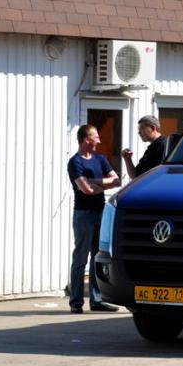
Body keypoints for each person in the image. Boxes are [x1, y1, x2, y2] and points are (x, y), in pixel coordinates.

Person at [67, 124, 120, 314]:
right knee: (80, 258)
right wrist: (96, 185)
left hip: (100, 211)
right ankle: (76, 302)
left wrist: (95, 182)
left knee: (98, 257)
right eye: (96, 137)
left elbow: (117, 180)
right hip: (83, 215)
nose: (99, 140)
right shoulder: (75, 162)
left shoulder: (100, 158)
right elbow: (85, 190)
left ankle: (97, 300)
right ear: (86, 139)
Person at [121, 115, 167, 179]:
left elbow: (160, 176)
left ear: (153, 128)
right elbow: (135, 176)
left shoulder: (164, 146)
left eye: (141, 129)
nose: (139, 133)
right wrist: (127, 159)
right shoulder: (151, 148)